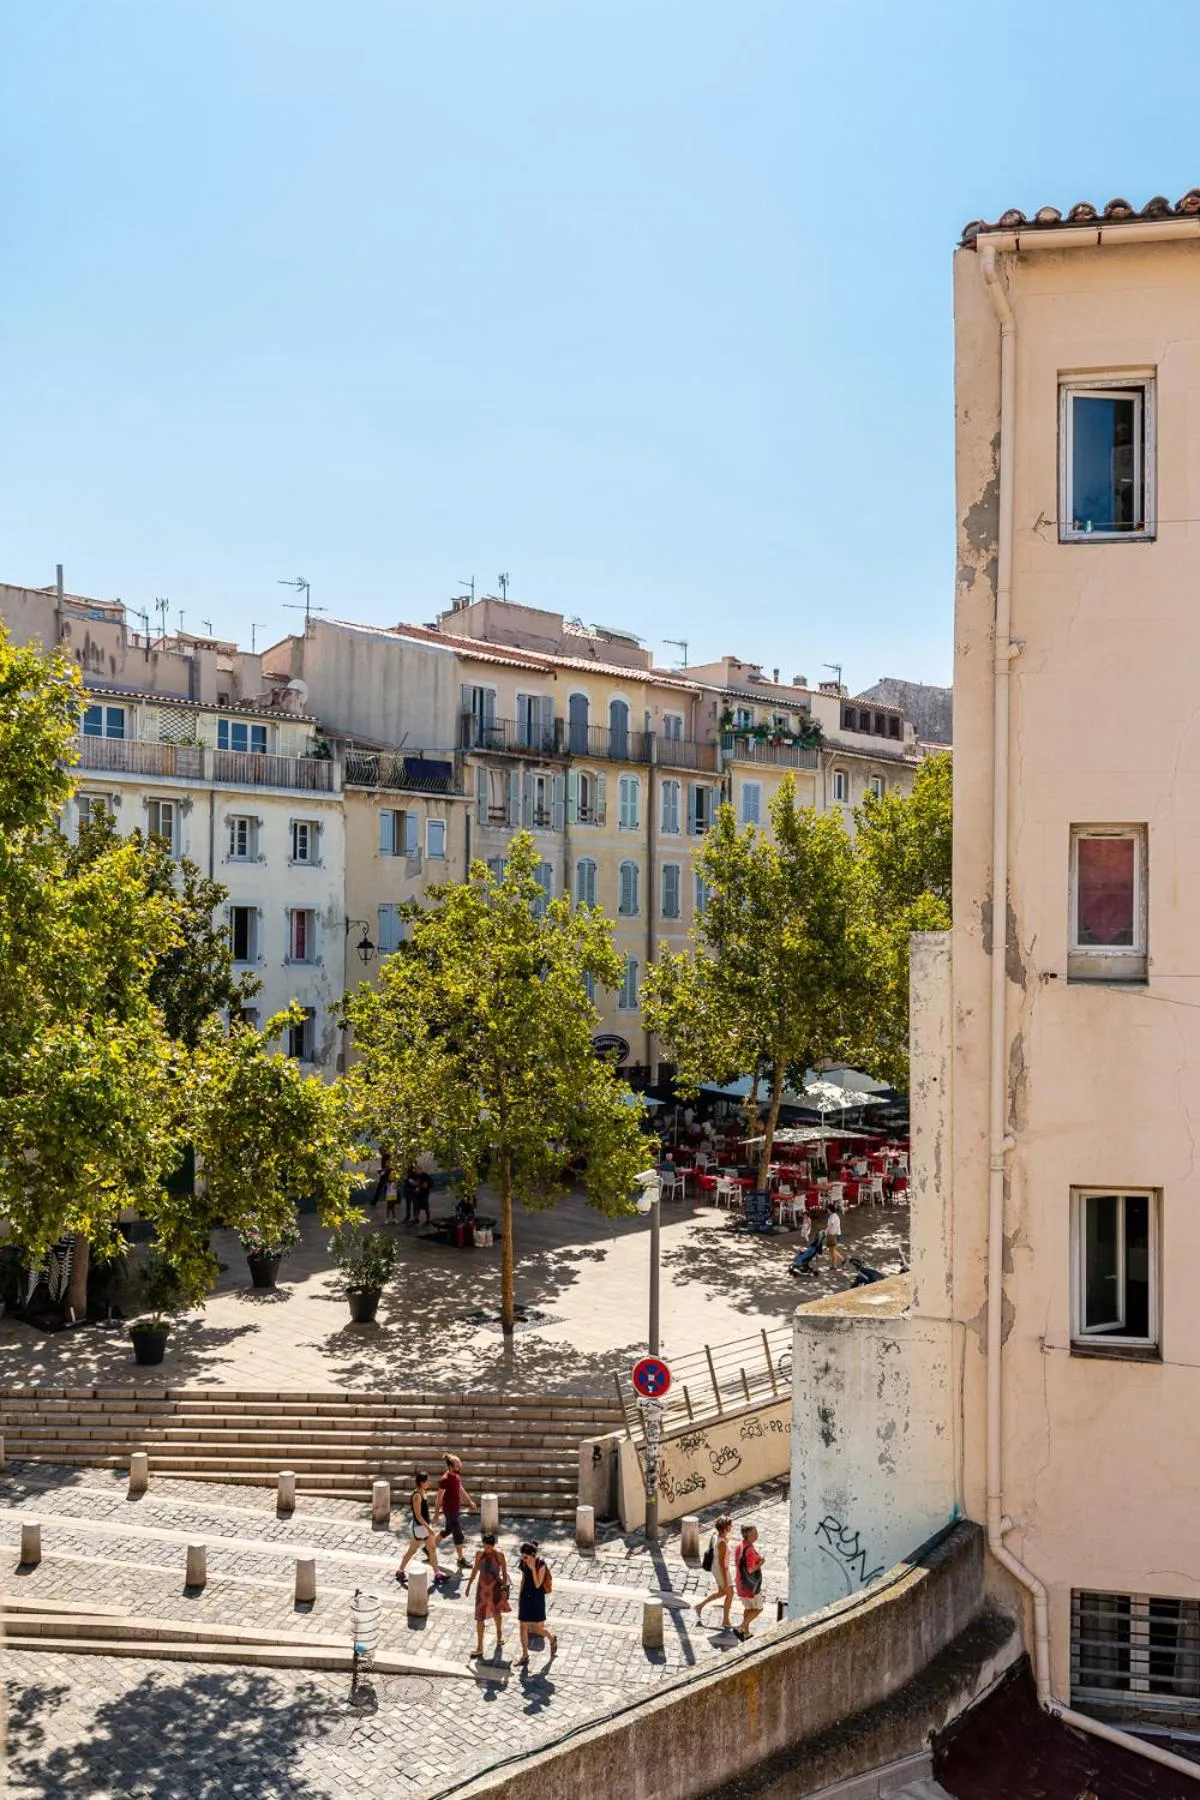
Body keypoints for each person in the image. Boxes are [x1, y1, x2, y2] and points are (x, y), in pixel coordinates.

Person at [465, 1531, 510, 1661]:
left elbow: (505, 1572)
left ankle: (499, 1635)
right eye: (485, 1546)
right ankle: (479, 1646)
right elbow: (474, 1569)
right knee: (479, 1617)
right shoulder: (479, 1554)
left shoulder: (500, 1555)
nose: (487, 1549)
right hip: (482, 1589)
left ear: (493, 1545)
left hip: (495, 1588)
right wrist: (469, 1585)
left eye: (489, 1547)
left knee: (496, 1613)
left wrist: (505, 1587)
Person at [395, 1470, 445, 1586]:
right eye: (427, 1481)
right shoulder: (417, 1496)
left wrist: (433, 1518)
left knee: (429, 1549)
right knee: (413, 1550)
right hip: (420, 1528)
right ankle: (400, 1571)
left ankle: (436, 1573)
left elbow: (424, 1512)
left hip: (423, 1527)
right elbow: (418, 1515)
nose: (429, 1483)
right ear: (422, 1483)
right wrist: (429, 1528)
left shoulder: (423, 1492)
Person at [516, 1540, 557, 1666]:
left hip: (536, 1599)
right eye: (522, 1556)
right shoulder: (523, 1563)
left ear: (532, 1555)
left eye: (525, 1556)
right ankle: (525, 1655)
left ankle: (552, 1639)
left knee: (538, 1629)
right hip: (525, 1597)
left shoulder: (541, 1565)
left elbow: (538, 1584)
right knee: (522, 1626)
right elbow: (523, 1579)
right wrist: (520, 1596)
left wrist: (533, 1567)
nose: (523, 1559)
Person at [695, 1516, 735, 1631]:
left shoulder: (715, 1536)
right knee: (730, 1593)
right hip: (721, 1570)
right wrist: (725, 1580)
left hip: (716, 1568)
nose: (732, 1527)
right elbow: (722, 1563)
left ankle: (699, 1606)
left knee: (722, 1592)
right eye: (730, 1525)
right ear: (726, 1527)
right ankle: (726, 1621)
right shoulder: (722, 1543)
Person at [437, 1452, 476, 1571]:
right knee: (458, 1534)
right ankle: (460, 1559)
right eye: (457, 1466)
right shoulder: (444, 1479)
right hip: (450, 1510)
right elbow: (439, 1496)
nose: (459, 1468)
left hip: (455, 1509)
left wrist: (470, 1501)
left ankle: (429, 1548)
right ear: (450, 1467)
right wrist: (436, 1513)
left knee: (447, 1530)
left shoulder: (456, 1476)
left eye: (459, 1466)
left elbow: (460, 1489)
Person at [734, 1524, 765, 1639]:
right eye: (754, 1533)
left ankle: (746, 1633)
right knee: (758, 1609)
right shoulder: (750, 1550)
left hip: (740, 1583)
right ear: (748, 1534)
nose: (757, 1535)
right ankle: (740, 1627)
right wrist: (760, 1563)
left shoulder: (739, 1546)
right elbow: (751, 1569)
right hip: (750, 1586)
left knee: (748, 1609)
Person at [825, 1201, 845, 1268]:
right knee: (832, 1250)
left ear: (829, 1209)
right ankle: (842, 1259)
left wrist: (826, 1231)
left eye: (827, 1209)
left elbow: (831, 1224)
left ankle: (834, 1265)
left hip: (833, 1235)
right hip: (833, 1234)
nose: (827, 1210)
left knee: (832, 1250)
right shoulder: (834, 1215)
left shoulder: (833, 1216)